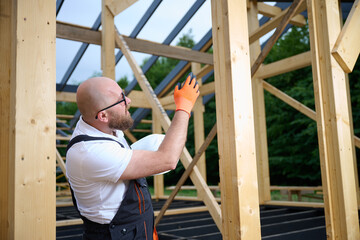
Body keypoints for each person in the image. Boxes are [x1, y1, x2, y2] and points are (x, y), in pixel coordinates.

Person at [66, 73, 200, 240]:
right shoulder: (90, 152)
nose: (128, 101)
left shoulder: (105, 128)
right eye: (121, 99)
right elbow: (168, 160)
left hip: (135, 229)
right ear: (103, 116)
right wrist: (184, 107)